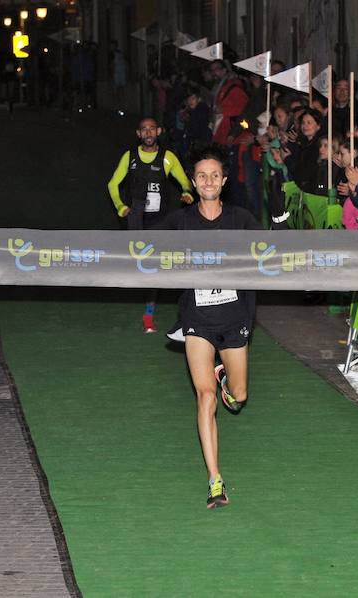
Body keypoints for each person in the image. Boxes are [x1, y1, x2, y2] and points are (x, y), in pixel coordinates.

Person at [160, 142, 261, 508]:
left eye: (214, 175)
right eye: (201, 175)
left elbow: (268, 255)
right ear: (193, 180)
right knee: (204, 397)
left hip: (235, 319)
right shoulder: (180, 221)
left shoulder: (241, 219)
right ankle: (215, 481)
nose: (207, 181)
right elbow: (145, 249)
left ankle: (226, 382)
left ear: (223, 181)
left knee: (240, 397)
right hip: (197, 319)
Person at [107, 117, 194, 332]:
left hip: (160, 221)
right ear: (138, 134)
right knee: (137, 268)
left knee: (156, 268)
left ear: (159, 131)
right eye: (144, 129)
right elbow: (112, 184)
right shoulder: (130, 157)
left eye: (152, 129)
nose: (148, 133)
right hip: (136, 220)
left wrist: (186, 193)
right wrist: (120, 207)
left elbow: (185, 182)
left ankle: (149, 316)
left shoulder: (168, 158)